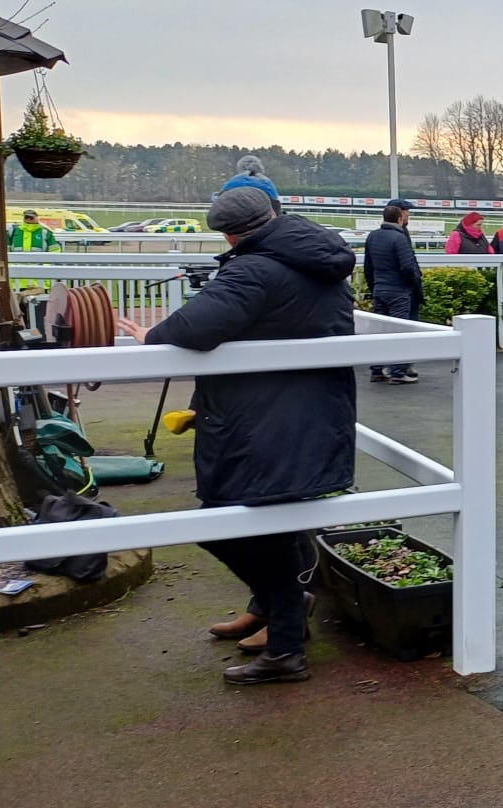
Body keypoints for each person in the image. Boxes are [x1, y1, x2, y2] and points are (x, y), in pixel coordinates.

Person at [113, 187, 357, 684]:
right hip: (308, 415)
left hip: (263, 421)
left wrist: (148, 339)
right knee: (272, 524)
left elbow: (193, 327)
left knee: (226, 524)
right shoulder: (317, 260)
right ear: (275, 215)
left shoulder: (252, 269)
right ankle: (275, 611)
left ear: (228, 232)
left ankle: (285, 639)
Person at [363, 201, 424, 385]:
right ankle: (398, 372)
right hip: (399, 290)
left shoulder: (373, 237)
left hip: (380, 289)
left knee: (381, 331)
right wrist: (413, 284)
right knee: (400, 331)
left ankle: (377, 370)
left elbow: (368, 267)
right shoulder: (399, 238)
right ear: (399, 219)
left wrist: (375, 286)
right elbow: (407, 266)